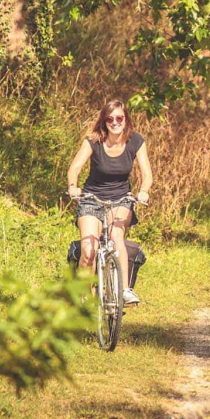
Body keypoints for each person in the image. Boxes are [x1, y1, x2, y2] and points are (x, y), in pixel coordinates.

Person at [67, 99, 153, 306]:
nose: (115, 122)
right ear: (104, 121)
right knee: (89, 249)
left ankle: (123, 290)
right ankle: (85, 296)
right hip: (91, 198)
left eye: (119, 118)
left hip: (121, 199)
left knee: (116, 237)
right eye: (110, 119)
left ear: (126, 119)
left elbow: (147, 173)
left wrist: (143, 191)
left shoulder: (135, 141)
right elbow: (75, 168)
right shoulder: (93, 141)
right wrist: (72, 186)